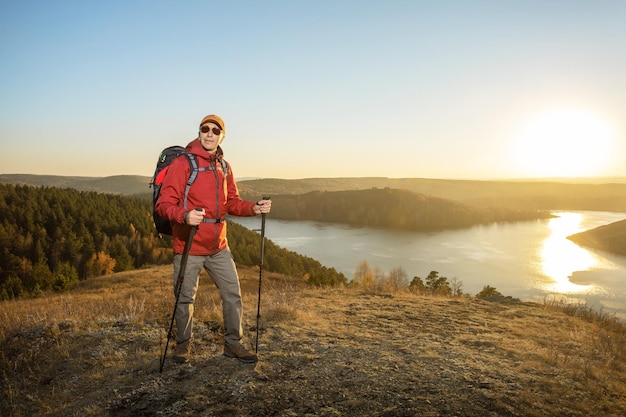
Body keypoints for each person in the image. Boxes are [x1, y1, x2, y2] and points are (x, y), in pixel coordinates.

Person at [156, 114, 271, 364]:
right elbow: (164, 204)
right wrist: (184, 216)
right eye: (205, 129)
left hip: (219, 246)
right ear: (199, 133)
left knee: (232, 294)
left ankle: (233, 345)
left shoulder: (224, 166)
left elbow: (232, 203)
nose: (210, 133)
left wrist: (254, 208)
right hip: (189, 244)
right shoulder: (183, 163)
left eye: (215, 130)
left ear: (222, 136)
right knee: (184, 298)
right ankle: (183, 346)